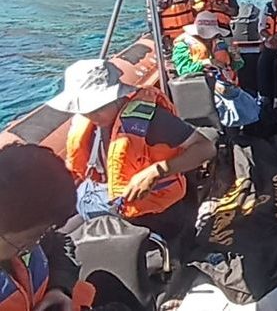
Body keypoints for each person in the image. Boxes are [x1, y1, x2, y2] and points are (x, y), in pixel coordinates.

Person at [48, 59, 217, 242]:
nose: (91, 115)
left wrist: (157, 171)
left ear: (116, 97)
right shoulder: (88, 123)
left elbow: (205, 148)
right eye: (85, 110)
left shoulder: (153, 120)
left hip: (151, 215)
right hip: (100, 201)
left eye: (98, 108)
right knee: (58, 242)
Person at [0, 143, 94, 311]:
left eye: (40, 235)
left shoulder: (29, 234)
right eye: (26, 241)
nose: (33, 245)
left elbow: (60, 244)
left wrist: (59, 289)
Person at [172, 11, 243, 84]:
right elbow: (182, 71)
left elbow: (236, 65)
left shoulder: (218, 42)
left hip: (222, 85)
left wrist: (235, 56)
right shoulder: (183, 44)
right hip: (196, 87)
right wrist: (206, 63)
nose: (211, 37)